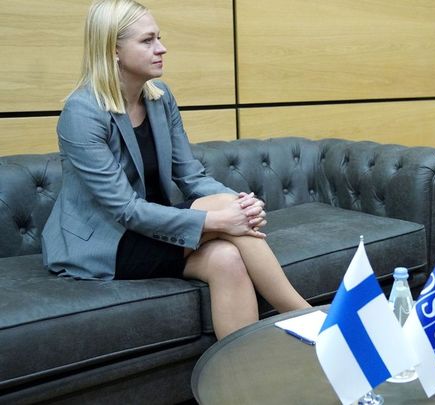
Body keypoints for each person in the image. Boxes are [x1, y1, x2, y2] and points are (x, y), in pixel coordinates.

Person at [41, 0, 310, 340]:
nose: (161, 48)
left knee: (227, 258)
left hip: (155, 226)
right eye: (147, 40)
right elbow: (126, 209)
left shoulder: (160, 97)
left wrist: (242, 203)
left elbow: (190, 175)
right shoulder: (82, 112)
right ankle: (307, 317)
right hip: (108, 240)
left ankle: (244, 368)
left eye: (159, 37)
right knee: (225, 216)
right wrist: (220, 220)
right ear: (113, 50)